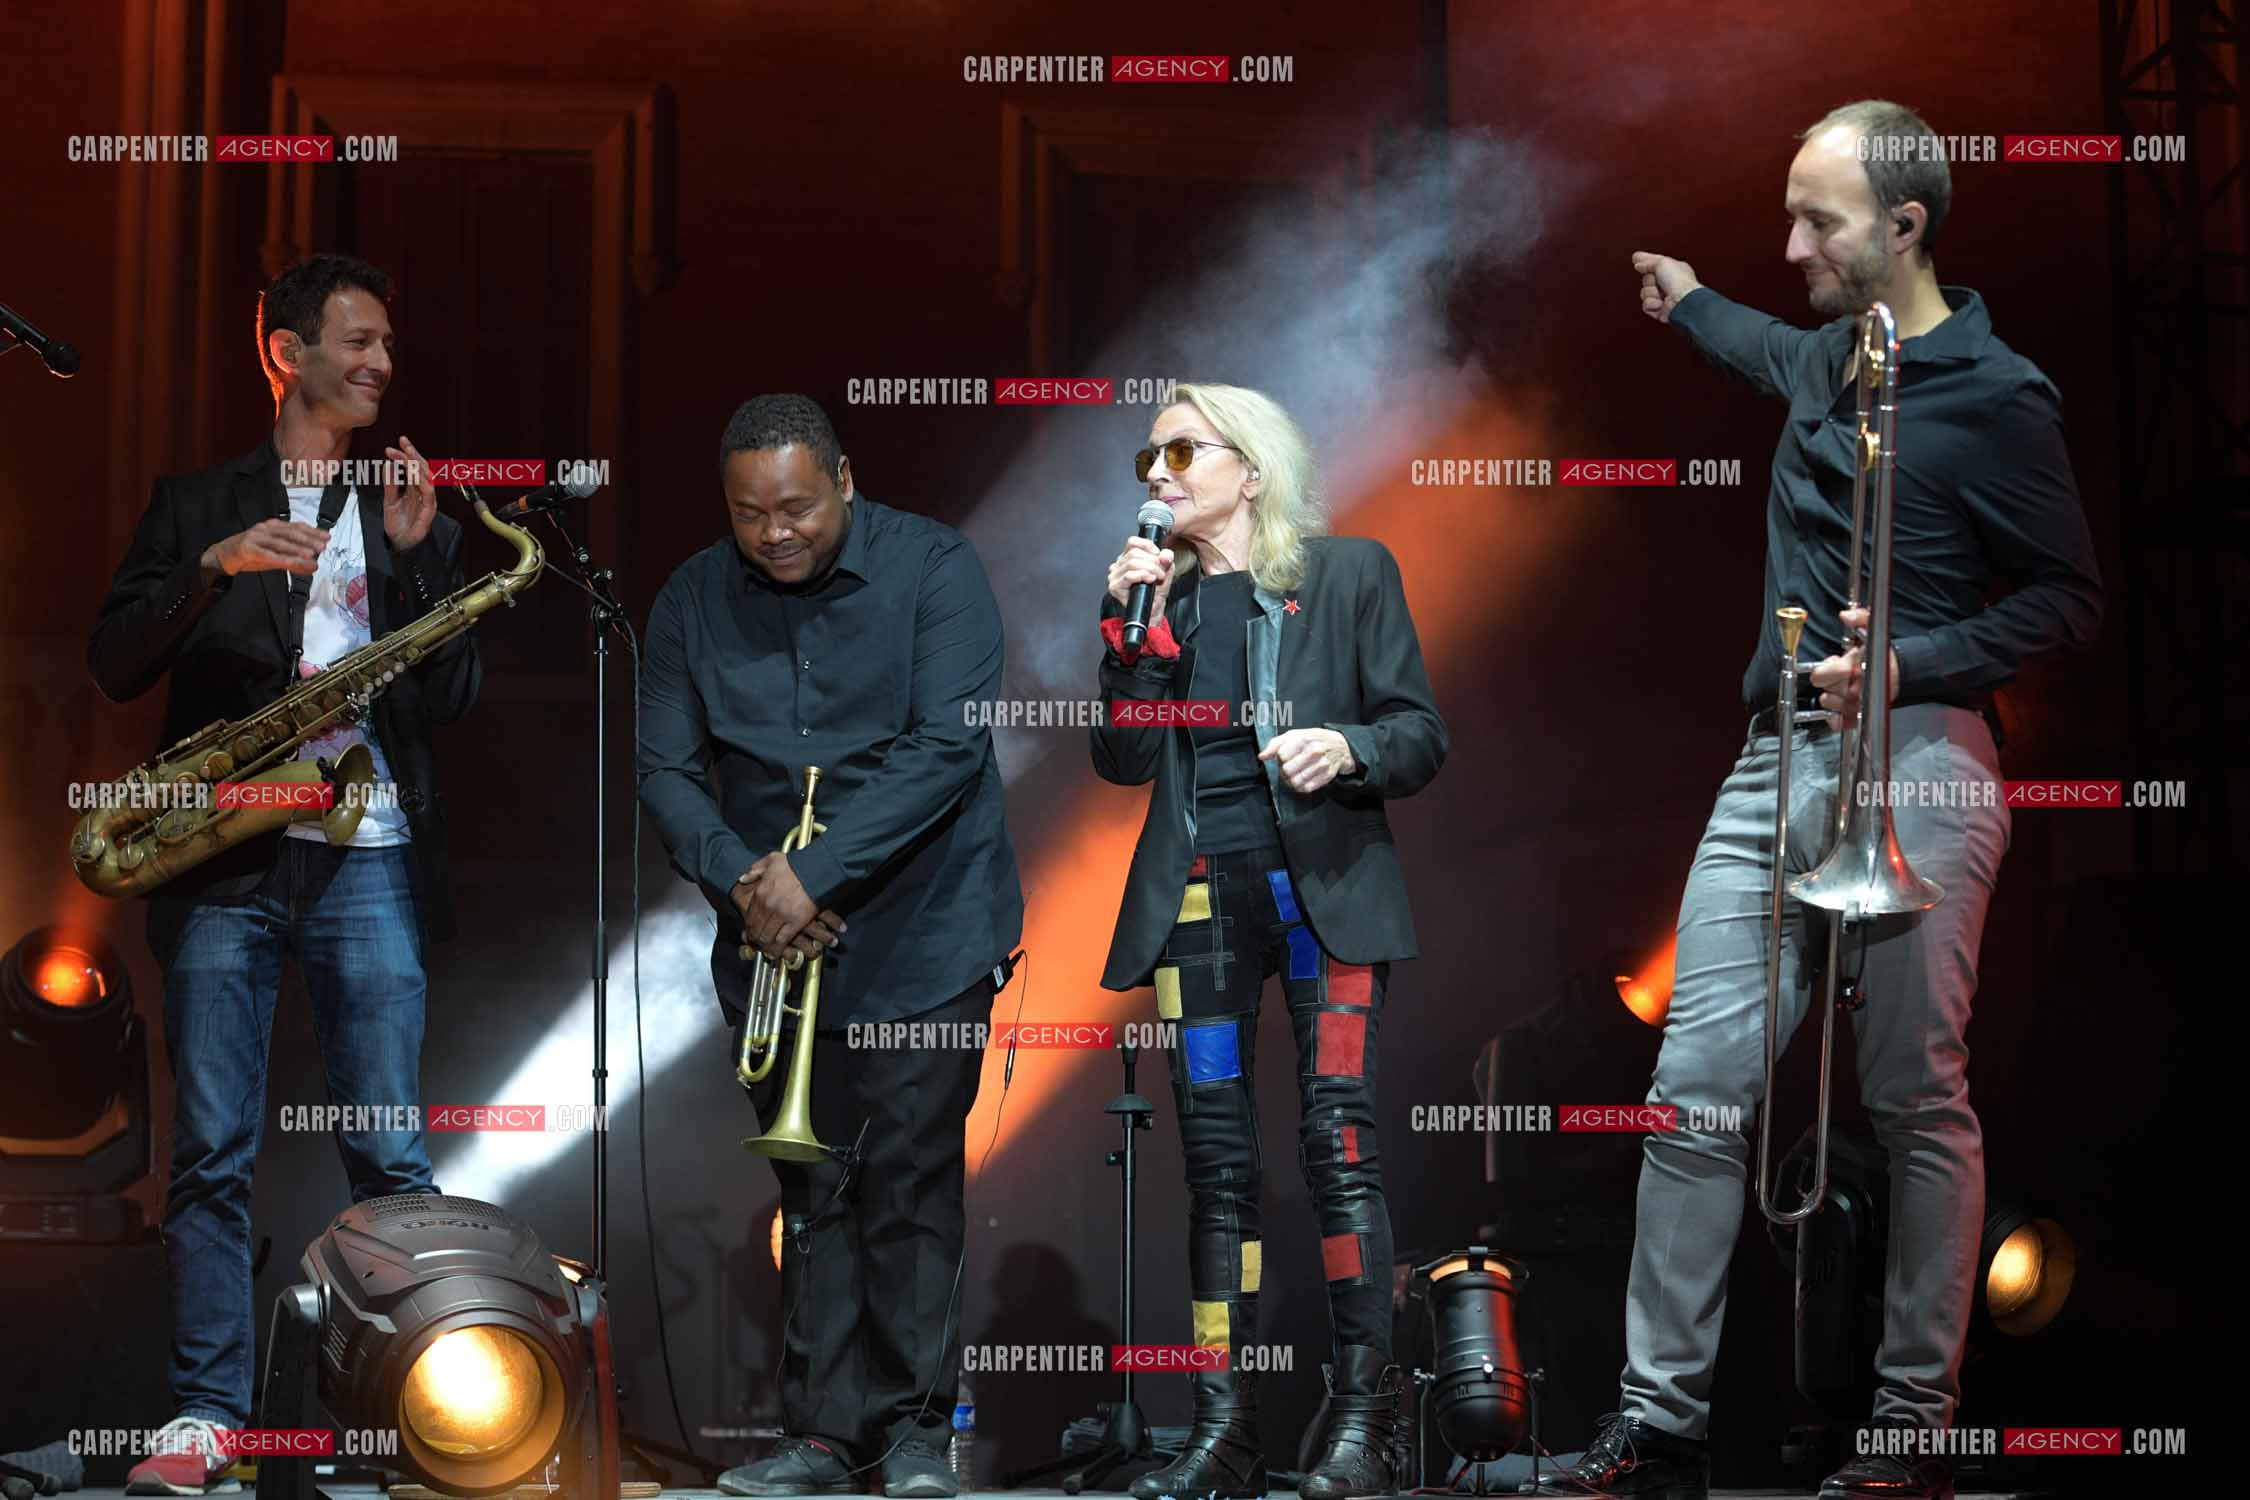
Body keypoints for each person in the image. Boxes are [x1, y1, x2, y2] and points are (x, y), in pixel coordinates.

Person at [1541, 101, 2102, 1500]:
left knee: (1915, 1097)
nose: (1791, 244)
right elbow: (1744, 336)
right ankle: (1655, 1425)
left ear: (1903, 229)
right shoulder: (1818, 360)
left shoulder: (1995, 394)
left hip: (1916, 754)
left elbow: (2067, 598)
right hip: (1773, 759)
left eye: (1819, 221)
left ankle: (1909, 1431)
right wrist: (1677, 298)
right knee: (1692, 1093)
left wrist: (1912, 659)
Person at [88, 254, 480, 1495]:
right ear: (286, 352)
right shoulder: (198, 503)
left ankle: (408, 1412)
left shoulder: (410, 509)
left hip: (364, 853)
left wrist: (420, 564)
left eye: (385, 346)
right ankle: (203, 1418)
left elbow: (457, 696)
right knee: (208, 1149)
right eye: (355, 343)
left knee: (390, 1151)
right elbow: (110, 662)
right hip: (223, 862)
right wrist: (213, 569)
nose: (379, 365)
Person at [638, 393, 1023, 1500]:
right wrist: (745, 880)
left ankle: (913, 1432)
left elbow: (947, 750)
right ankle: (820, 1432)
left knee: (908, 1182)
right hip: (769, 934)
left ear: (845, 480)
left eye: (798, 507)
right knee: (810, 1189)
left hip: (926, 926)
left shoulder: (937, 569)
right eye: (751, 514)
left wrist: (813, 870)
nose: (777, 533)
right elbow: (666, 769)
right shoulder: (693, 599)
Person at [1091, 383, 1447, 1500]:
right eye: (1147, 454)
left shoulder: (1350, 574)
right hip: (1198, 894)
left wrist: (1346, 745)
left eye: (1181, 449)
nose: (1156, 471)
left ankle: (1361, 1421)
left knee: (1338, 1142)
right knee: (1217, 1168)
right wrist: (1131, 640)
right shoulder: (1162, 603)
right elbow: (1119, 761)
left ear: (1252, 469)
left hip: (1321, 890)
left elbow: (1420, 733)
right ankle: (1224, 1423)